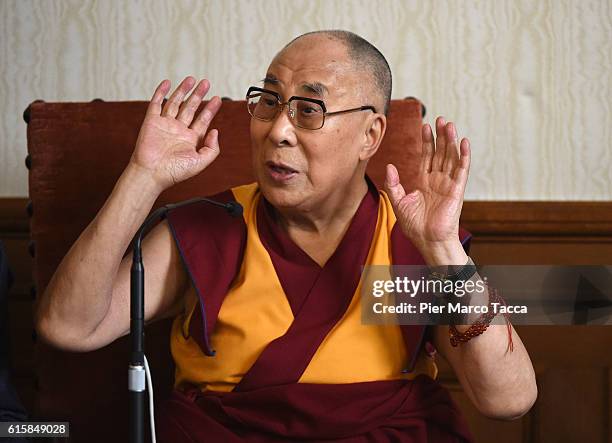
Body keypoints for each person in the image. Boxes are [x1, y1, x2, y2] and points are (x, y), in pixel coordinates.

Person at [34, 30, 537, 442]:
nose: (277, 130)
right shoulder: (215, 229)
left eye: (309, 110)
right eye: (270, 101)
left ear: (370, 136)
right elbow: (69, 327)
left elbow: (508, 401)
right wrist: (143, 176)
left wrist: (444, 250)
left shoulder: (406, 246)